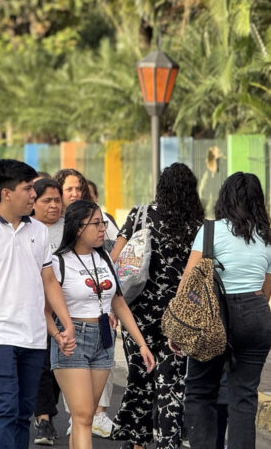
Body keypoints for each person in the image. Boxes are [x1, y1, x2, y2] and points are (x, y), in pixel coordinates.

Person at [0, 159, 76, 449]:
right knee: (6, 407)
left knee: (24, 412)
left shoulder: (38, 230)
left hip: (34, 335)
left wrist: (66, 324)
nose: (33, 195)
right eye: (28, 188)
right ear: (7, 193)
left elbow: (49, 281)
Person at [110, 162, 204, 449]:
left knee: (140, 378)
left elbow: (116, 258)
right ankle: (168, 443)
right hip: (178, 315)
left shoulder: (140, 214)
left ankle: (137, 443)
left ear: (161, 188)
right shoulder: (198, 226)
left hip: (138, 313)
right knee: (171, 383)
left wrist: (112, 305)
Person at [49, 200, 155, 449]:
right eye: (96, 223)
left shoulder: (105, 257)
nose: (102, 229)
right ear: (78, 228)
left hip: (104, 339)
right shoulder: (58, 261)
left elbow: (119, 303)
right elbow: (44, 310)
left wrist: (142, 344)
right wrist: (57, 335)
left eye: (103, 223)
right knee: (84, 416)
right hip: (73, 339)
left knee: (84, 417)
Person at [179, 172, 271, 449]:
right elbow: (266, 290)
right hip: (255, 314)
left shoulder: (210, 231)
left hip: (212, 315)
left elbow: (188, 282)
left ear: (224, 198)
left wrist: (181, 327)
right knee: (244, 395)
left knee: (200, 390)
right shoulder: (267, 236)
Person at [30, 178, 65, 446]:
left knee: (57, 365)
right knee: (41, 364)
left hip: (65, 306)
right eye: (47, 200)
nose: (53, 205)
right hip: (32, 306)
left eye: (57, 200)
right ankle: (43, 419)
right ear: (34, 202)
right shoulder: (25, 229)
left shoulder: (71, 227)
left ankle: (46, 411)